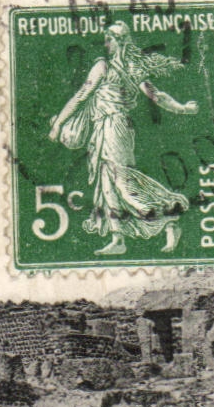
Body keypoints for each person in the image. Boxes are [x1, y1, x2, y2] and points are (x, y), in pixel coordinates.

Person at [48, 22, 198, 256]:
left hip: (115, 126)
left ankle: (170, 217)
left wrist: (58, 124)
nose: (106, 45)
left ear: (119, 41)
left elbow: (82, 96)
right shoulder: (129, 68)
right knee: (106, 184)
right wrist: (183, 108)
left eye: (109, 40)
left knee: (121, 181)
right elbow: (156, 96)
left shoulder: (105, 67)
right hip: (104, 128)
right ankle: (118, 238)